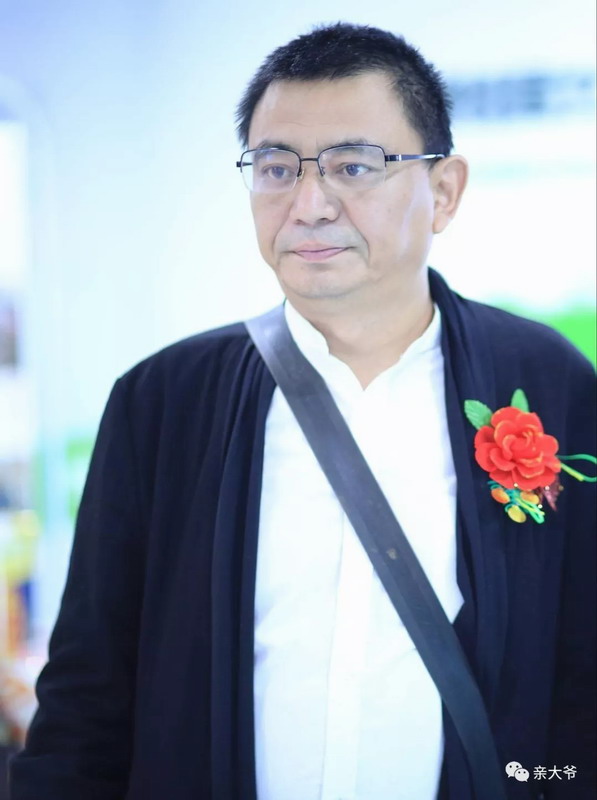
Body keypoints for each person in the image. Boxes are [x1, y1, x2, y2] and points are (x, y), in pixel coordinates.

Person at [9, 22, 596, 800]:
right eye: (276, 168)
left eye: (354, 166)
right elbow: (88, 697)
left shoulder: (547, 385)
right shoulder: (164, 401)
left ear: (443, 190)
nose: (309, 204)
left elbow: (580, 678)